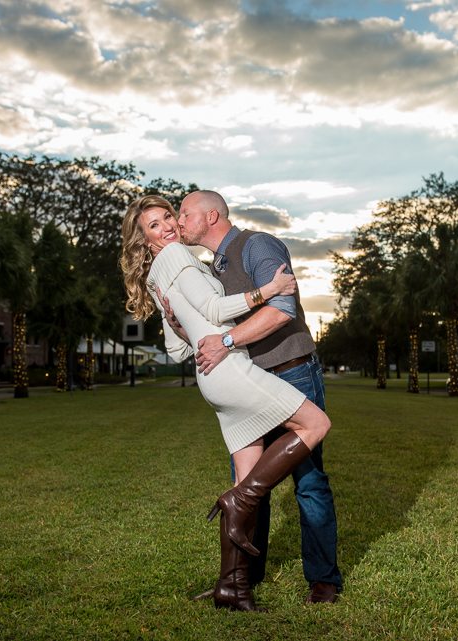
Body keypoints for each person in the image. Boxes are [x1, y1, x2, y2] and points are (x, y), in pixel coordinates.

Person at [120, 195, 333, 612]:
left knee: (277, 481)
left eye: (177, 215)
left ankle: (237, 587)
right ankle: (240, 521)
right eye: (158, 223)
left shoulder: (251, 246)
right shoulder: (182, 256)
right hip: (236, 372)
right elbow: (216, 312)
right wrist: (265, 293)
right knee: (310, 431)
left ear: (209, 216)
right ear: (144, 240)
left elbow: (180, 343)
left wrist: (192, 326)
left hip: (254, 374)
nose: (173, 224)